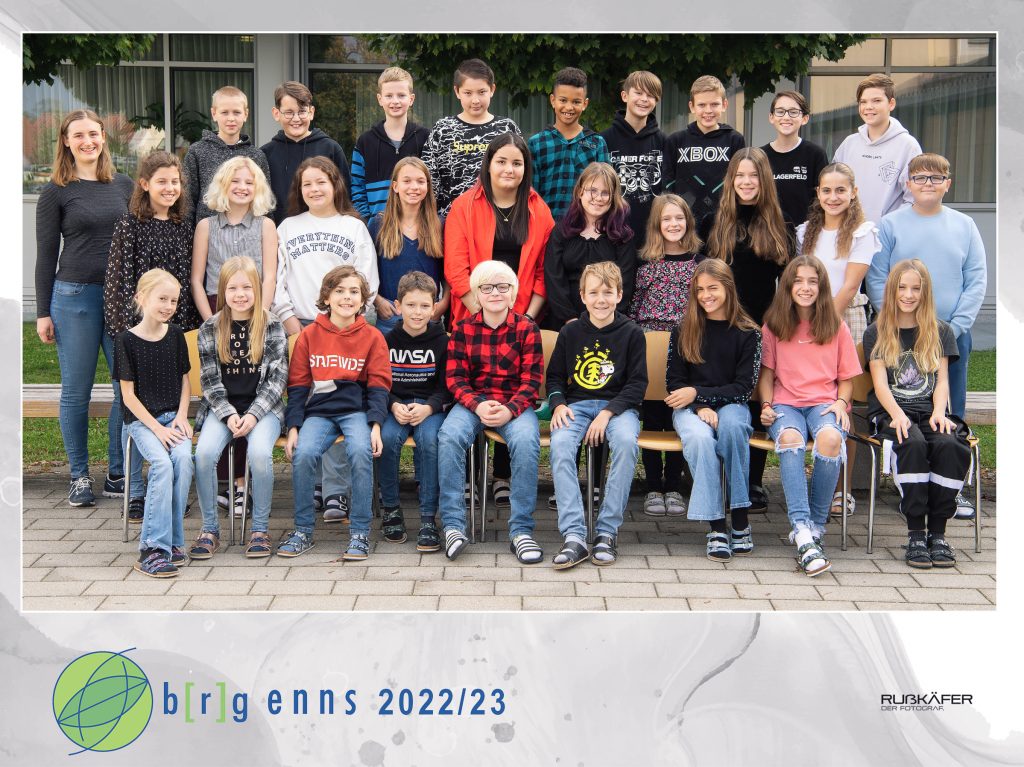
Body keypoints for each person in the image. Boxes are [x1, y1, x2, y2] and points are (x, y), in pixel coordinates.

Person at [866, 153, 986, 518]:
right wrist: (892, 321)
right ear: (908, 185)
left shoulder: (964, 225)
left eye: (936, 177)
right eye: (919, 178)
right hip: (899, 334)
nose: (927, 183)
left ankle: (952, 488)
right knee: (905, 401)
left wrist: (953, 328)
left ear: (948, 183)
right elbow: (877, 276)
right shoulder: (890, 224)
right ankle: (912, 483)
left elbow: (976, 278)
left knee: (949, 410)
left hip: (950, 333)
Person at [444, 133, 554, 508]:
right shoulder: (465, 206)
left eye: (517, 163)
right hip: (472, 317)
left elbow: (541, 273)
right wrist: (485, 313)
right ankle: (471, 478)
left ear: (526, 168)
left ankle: (503, 477)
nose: (509, 169)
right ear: (488, 165)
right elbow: (456, 268)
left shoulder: (539, 210)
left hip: (521, 319)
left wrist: (523, 318)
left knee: (510, 389)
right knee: (475, 390)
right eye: (502, 161)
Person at [35, 109, 135, 507]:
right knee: (76, 392)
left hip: (120, 299)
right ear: (66, 141)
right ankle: (78, 476)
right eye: (78, 135)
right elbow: (46, 255)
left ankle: (116, 472)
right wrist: (43, 312)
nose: (87, 141)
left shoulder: (123, 185)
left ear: (103, 137)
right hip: (74, 297)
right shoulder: (56, 191)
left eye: (93, 133)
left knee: (125, 388)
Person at [272, 156, 380, 523]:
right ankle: (314, 484)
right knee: (310, 401)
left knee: (339, 399)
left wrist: (349, 322)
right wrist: (292, 324)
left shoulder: (353, 227)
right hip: (300, 324)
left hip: (345, 327)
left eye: (321, 182)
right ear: (299, 190)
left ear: (335, 185)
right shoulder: (288, 227)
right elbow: (277, 279)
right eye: (307, 184)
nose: (315, 189)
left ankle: (335, 490)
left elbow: (367, 280)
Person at [863, 260, 972, 569]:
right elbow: (880, 385)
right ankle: (915, 534)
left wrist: (939, 411)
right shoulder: (877, 332)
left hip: (929, 410)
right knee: (911, 443)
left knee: (950, 444)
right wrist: (898, 415)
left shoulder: (940, 331)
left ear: (925, 292)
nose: (908, 295)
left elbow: (942, 381)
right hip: (892, 412)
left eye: (916, 288)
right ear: (891, 290)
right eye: (902, 287)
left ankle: (938, 533)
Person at [702, 147, 794, 512]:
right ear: (731, 180)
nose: (746, 181)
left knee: (755, 401)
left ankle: (752, 480)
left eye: (753, 175)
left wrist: (773, 321)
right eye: (740, 175)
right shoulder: (713, 221)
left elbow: (786, 283)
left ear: (764, 179)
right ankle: (717, 475)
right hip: (718, 327)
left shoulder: (780, 224)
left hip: (760, 326)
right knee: (720, 399)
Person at [758, 256, 861, 577]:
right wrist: (765, 405)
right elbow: (766, 374)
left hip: (824, 403)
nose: (805, 288)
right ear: (788, 287)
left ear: (822, 287)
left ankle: (814, 530)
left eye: (812, 282)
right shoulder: (774, 325)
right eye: (798, 281)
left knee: (830, 439)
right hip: (785, 404)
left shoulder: (836, 326)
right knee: (790, 438)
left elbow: (847, 378)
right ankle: (801, 527)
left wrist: (842, 403)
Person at [280, 266, 391, 560]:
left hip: (356, 411)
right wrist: (293, 427)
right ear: (327, 297)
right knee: (304, 453)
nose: (347, 297)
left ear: (363, 300)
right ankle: (303, 530)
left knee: (361, 451)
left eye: (354, 292)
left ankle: (360, 533)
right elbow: (298, 386)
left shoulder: (373, 337)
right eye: (339, 291)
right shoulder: (309, 335)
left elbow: (379, 386)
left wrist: (375, 425)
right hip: (319, 413)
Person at [437, 261, 543, 563]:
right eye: (486, 287)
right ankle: (454, 527)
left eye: (502, 287)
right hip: (473, 402)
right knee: (448, 436)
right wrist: (477, 404)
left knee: (526, 442)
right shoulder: (463, 329)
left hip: (514, 404)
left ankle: (521, 531)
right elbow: (455, 379)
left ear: (513, 293)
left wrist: (510, 410)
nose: (495, 293)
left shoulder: (527, 329)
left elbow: (532, 381)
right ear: (476, 294)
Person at [547, 262, 646, 568]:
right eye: (593, 293)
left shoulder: (632, 333)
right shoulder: (570, 332)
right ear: (582, 296)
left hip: (618, 407)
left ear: (619, 295)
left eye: (607, 292)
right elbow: (555, 377)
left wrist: (607, 413)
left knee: (626, 443)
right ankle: (574, 535)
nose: (601, 299)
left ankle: (606, 531)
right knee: (561, 445)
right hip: (575, 405)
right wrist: (558, 404)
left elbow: (637, 384)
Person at [190, 257, 287, 560]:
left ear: (257, 289)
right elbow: (209, 381)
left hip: (264, 409)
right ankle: (209, 530)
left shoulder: (272, 325)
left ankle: (259, 530)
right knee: (204, 454)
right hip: (222, 409)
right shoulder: (210, 328)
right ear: (223, 291)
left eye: (247, 287)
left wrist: (253, 415)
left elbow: (277, 380)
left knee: (259, 454)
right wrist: (229, 414)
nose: (240, 294)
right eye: (232, 288)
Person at [797, 162, 879, 515]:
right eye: (827, 190)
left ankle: (842, 489)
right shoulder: (806, 232)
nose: (833, 197)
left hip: (845, 318)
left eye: (840, 190)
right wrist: (808, 322)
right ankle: (818, 481)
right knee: (816, 396)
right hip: (807, 320)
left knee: (846, 403)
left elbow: (848, 285)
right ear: (818, 193)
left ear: (853, 193)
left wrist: (824, 323)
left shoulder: (862, 232)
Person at [668, 259, 761, 561]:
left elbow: (744, 388)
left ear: (728, 288)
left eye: (713, 288)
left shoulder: (748, 332)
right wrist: (698, 406)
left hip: (732, 405)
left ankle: (740, 519)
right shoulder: (683, 329)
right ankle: (717, 526)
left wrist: (701, 395)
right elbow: (675, 383)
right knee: (700, 439)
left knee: (733, 428)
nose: (706, 295)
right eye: (699, 290)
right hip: (690, 409)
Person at [114, 269, 193, 578]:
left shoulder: (175, 335)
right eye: (162, 299)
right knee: (161, 465)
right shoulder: (126, 341)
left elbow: (185, 381)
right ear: (141, 298)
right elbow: (128, 396)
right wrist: (157, 429)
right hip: (142, 422)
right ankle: (151, 549)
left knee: (183, 460)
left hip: (172, 418)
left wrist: (181, 416)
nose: (168, 306)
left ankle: (172, 542)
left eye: (173, 300)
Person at [629, 193, 703, 516]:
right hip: (649, 345)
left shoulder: (699, 264)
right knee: (653, 415)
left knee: (678, 416)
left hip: (685, 346)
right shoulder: (645, 264)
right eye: (667, 219)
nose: (674, 224)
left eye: (679, 218)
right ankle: (652, 486)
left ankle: (673, 484)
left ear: (688, 222)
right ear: (656, 225)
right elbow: (633, 308)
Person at [379, 271, 452, 552]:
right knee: (386, 439)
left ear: (434, 308)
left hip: (429, 407)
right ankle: (391, 509)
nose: (417, 312)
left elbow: (447, 387)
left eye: (424, 306)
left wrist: (429, 407)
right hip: (396, 406)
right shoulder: (386, 341)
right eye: (411, 305)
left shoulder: (443, 342)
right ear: (398, 306)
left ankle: (428, 517)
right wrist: (393, 404)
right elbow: (378, 383)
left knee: (430, 440)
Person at [422, 58, 520, 217]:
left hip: (498, 218)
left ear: (492, 90)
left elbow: (521, 174)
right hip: (452, 219)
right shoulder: (443, 129)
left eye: (482, 92)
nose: (475, 100)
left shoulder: (507, 128)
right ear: (457, 91)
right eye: (468, 93)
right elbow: (430, 179)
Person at [543, 162, 636, 329]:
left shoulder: (622, 236)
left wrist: (605, 321)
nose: (598, 198)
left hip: (609, 323)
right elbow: (553, 279)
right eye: (592, 190)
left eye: (605, 193)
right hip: (565, 323)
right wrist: (570, 319)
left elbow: (626, 283)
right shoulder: (561, 232)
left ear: (613, 197)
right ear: (580, 192)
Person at [191, 156, 278, 320]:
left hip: (255, 306)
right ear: (222, 184)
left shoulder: (266, 226)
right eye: (235, 181)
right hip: (217, 306)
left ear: (258, 188)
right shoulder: (205, 227)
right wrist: (210, 321)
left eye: (249, 183)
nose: (242, 187)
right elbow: (196, 281)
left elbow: (270, 277)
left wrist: (261, 316)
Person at [369, 157, 448, 336]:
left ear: (428, 186)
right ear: (395, 186)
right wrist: (377, 300)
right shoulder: (378, 224)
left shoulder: (440, 225)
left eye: (420, 181)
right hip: (390, 315)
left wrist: (443, 304)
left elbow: (449, 273)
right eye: (407, 181)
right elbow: (366, 271)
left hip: (428, 315)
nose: (414, 187)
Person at [832, 73, 921, 225]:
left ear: (891, 104)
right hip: (848, 233)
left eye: (877, 101)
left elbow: (914, 197)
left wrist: (889, 227)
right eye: (863, 102)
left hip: (887, 235)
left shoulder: (908, 146)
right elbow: (833, 188)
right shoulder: (849, 144)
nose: (868, 107)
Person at [261, 80, 351, 226]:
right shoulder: (265, 154)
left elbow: (345, 196)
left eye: (302, 111)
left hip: (325, 231)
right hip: (279, 232)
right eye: (289, 113)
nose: (296, 119)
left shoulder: (331, 149)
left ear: (311, 112)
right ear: (276, 114)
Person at [663, 75, 746, 229]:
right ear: (692, 107)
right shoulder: (676, 141)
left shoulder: (735, 140)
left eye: (714, 104)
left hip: (724, 221)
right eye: (701, 105)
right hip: (684, 222)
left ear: (724, 105)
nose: (708, 110)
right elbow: (668, 183)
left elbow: (740, 181)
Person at [527, 66, 609, 220]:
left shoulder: (597, 143)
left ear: (585, 104)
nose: (569, 107)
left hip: (585, 226)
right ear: (553, 100)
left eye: (576, 102)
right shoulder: (536, 144)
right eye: (563, 100)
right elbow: (531, 192)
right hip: (546, 226)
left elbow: (605, 190)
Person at [183, 85, 270, 228]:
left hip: (248, 234)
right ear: (214, 114)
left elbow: (264, 199)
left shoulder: (257, 155)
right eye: (224, 112)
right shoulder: (197, 151)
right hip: (208, 234)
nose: (231, 118)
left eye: (237, 112)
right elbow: (187, 200)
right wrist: (189, 234)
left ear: (246, 114)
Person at [351, 67, 430, 219]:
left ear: (411, 99)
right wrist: (368, 221)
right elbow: (357, 187)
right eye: (389, 96)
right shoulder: (365, 142)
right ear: (380, 99)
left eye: (401, 95)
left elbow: (433, 182)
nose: (395, 101)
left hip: (418, 224)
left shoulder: (426, 138)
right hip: (378, 225)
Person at [600, 71, 667, 250]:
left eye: (651, 95)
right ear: (625, 96)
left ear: (656, 101)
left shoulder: (664, 142)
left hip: (653, 237)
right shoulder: (604, 140)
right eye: (638, 93)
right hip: (613, 235)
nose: (644, 99)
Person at [760, 91, 828, 227]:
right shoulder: (760, 156)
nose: (786, 117)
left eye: (793, 112)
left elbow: (823, 198)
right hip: (767, 233)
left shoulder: (815, 154)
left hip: (806, 233)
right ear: (771, 117)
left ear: (805, 118)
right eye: (780, 112)